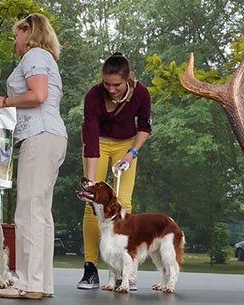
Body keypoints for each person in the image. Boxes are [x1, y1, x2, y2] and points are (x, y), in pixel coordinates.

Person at [0, 13, 67, 299]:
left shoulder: (34, 55)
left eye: (17, 35)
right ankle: (42, 282)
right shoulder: (46, 59)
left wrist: (4, 101)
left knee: (28, 211)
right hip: (51, 136)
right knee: (41, 213)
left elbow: (38, 95)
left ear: (30, 33)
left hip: (40, 136)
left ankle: (27, 282)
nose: (15, 41)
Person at [77, 52, 152, 290]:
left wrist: (132, 153)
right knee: (93, 205)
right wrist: (90, 182)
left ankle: (124, 270)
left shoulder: (141, 93)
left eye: (117, 85)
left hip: (126, 145)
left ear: (128, 79)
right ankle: (90, 268)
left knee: (124, 204)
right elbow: (89, 138)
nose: (111, 89)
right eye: (107, 84)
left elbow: (144, 127)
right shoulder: (93, 96)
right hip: (97, 143)